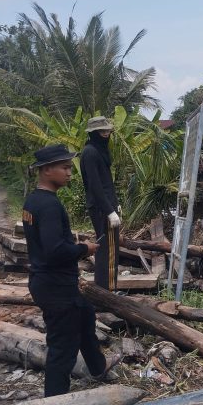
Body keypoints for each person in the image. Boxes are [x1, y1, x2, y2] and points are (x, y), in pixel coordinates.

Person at [23, 144, 118, 396]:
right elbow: (55, 251)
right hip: (56, 287)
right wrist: (84, 249)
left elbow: (47, 243)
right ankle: (54, 404)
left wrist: (75, 245)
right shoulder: (50, 206)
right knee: (62, 348)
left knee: (85, 315)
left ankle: (98, 367)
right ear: (46, 170)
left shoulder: (33, 201)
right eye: (64, 168)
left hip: (49, 281)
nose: (69, 173)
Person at [80, 116, 120, 292]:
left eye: (107, 130)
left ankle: (106, 289)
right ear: (93, 133)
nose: (106, 134)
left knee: (109, 248)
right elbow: (95, 186)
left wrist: (114, 204)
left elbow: (106, 183)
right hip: (101, 208)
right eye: (101, 131)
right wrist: (109, 211)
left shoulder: (99, 150)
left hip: (106, 206)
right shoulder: (90, 153)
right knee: (107, 250)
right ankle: (107, 291)